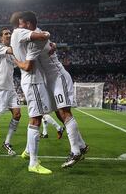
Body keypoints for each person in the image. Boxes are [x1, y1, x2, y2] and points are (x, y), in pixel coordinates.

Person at [17, 11, 89, 168]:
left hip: (58, 77)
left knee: (65, 113)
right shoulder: (39, 33)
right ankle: (82, 146)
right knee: (58, 113)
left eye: (21, 24)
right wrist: (52, 43)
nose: (19, 27)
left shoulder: (36, 36)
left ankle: (75, 151)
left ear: (28, 24)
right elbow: (48, 42)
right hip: (49, 81)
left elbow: (40, 43)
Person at [11, 11, 53, 174]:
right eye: (20, 23)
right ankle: (33, 163)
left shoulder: (21, 35)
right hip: (33, 81)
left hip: (33, 80)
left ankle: (28, 152)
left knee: (38, 116)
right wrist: (47, 35)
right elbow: (28, 65)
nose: (20, 25)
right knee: (35, 118)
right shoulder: (21, 32)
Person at [0, 27, 22, 157]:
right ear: (1, 37)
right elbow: (13, 49)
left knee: (17, 114)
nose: (9, 35)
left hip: (10, 88)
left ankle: (7, 142)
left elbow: (19, 62)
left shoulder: (12, 53)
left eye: (10, 33)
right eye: (6, 34)